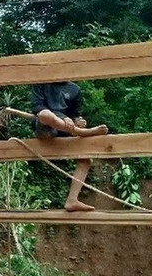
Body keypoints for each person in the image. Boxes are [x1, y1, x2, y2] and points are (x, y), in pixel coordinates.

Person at [31, 82, 109, 212]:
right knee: (45, 114)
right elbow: (37, 108)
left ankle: (72, 200)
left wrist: (78, 121)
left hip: (65, 130)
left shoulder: (75, 89)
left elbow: (75, 114)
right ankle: (84, 133)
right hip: (46, 127)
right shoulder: (42, 82)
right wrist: (65, 118)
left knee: (85, 160)